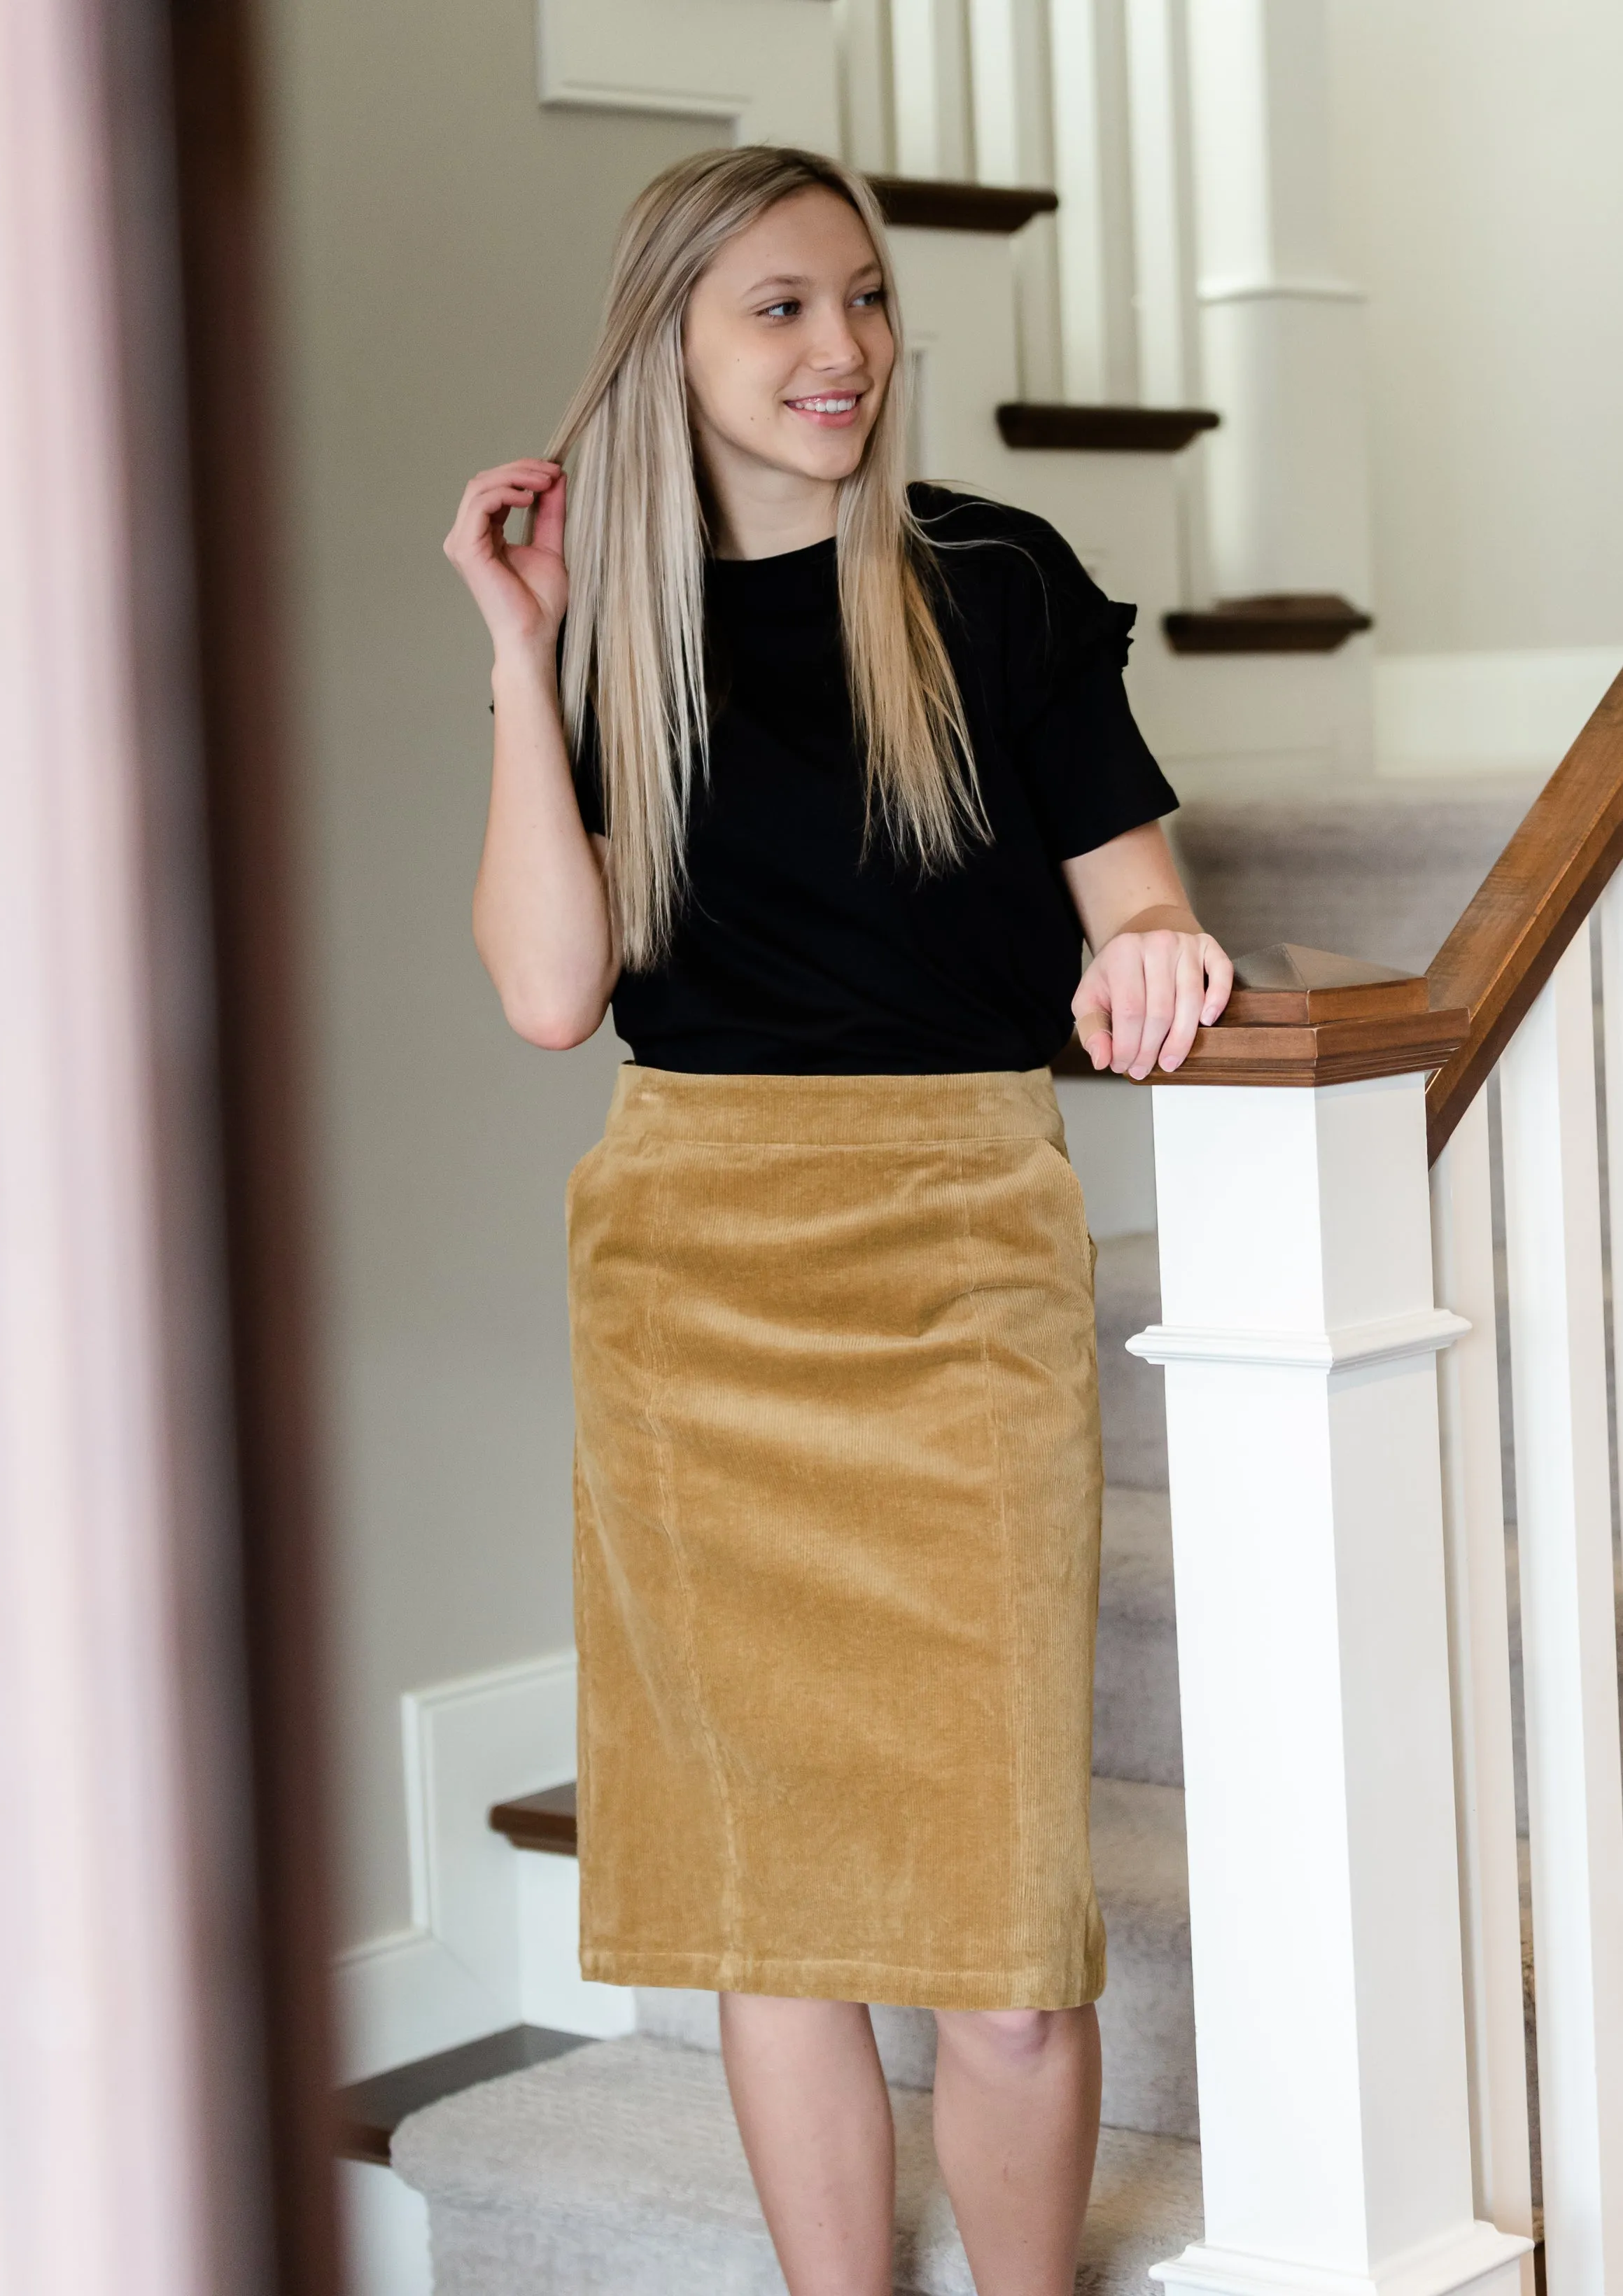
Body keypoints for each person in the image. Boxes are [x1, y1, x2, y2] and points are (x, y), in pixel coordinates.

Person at [444, 144, 1230, 2296]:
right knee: (765, 1912)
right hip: (692, 1259)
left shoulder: (994, 577)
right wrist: (522, 656)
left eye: (864, 301)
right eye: (778, 308)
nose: (843, 349)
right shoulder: (615, 630)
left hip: (962, 1234)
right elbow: (544, 994)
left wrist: (1157, 948)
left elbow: (1135, 889)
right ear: (670, 348)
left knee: (999, 1949)